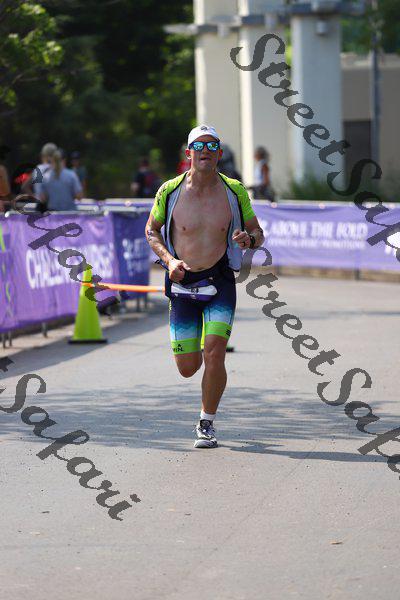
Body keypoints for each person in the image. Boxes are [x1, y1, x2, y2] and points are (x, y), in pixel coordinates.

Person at [145, 124, 265, 449]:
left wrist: (249, 239)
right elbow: (151, 230)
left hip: (219, 282)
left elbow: (258, 232)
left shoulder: (234, 190)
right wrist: (169, 261)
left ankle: (206, 422)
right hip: (182, 283)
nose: (205, 152)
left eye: (212, 147)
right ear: (188, 153)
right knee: (187, 368)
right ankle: (197, 348)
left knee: (215, 353)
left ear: (219, 154)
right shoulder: (169, 191)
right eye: (199, 146)